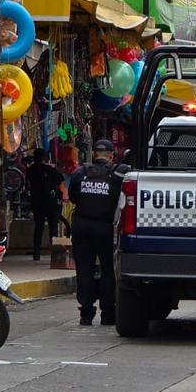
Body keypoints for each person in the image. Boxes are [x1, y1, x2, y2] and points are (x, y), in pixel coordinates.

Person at [69, 139, 127, 326]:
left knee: (84, 269)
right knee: (108, 270)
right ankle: (108, 313)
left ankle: (86, 313)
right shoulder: (117, 174)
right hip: (105, 227)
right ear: (111, 156)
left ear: (94, 154)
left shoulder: (80, 173)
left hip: (81, 226)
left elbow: (73, 197)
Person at [27, 148, 64, 261]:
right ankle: (55, 255)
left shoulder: (31, 170)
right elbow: (61, 181)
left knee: (39, 227)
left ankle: (36, 253)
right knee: (53, 228)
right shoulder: (51, 169)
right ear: (45, 157)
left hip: (37, 202)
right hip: (51, 202)